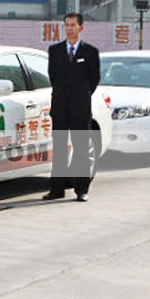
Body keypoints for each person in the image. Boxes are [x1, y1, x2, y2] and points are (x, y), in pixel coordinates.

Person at [43, 12, 101, 202]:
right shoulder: (55, 51)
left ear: (81, 28)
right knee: (59, 147)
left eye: (73, 25)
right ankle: (57, 189)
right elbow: (53, 77)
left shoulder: (90, 52)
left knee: (81, 148)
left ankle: (81, 189)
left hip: (81, 107)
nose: (69, 28)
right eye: (66, 25)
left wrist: (80, 95)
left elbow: (94, 79)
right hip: (60, 106)